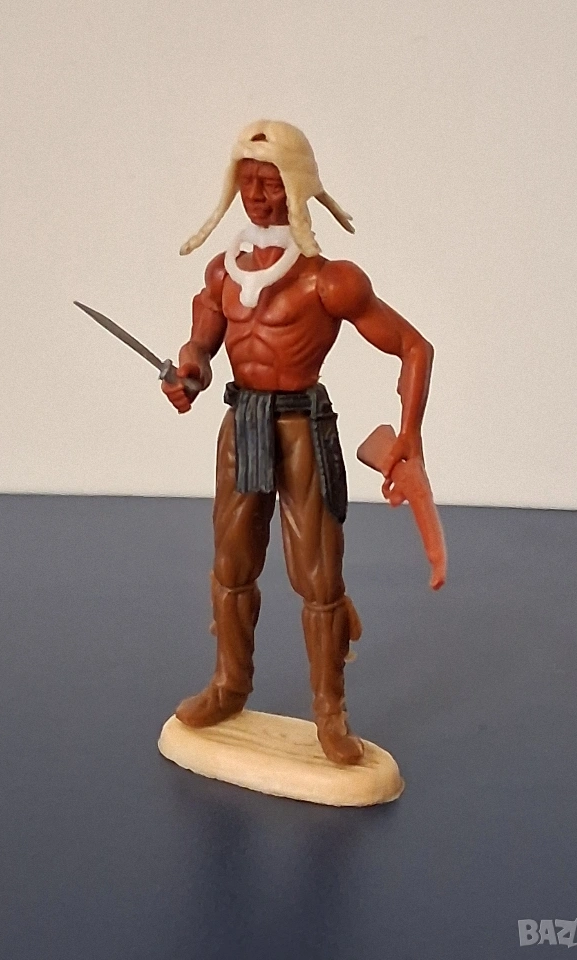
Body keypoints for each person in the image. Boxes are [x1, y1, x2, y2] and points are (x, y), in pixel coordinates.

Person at [162, 120, 433, 765]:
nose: (258, 196)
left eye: (271, 182)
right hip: (243, 423)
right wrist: (189, 372)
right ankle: (229, 685)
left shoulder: (327, 280)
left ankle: (330, 714)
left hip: (303, 427)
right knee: (231, 567)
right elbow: (201, 346)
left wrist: (411, 437)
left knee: (317, 576)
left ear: (297, 185)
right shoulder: (222, 274)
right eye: (248, 182)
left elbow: (413, 347)